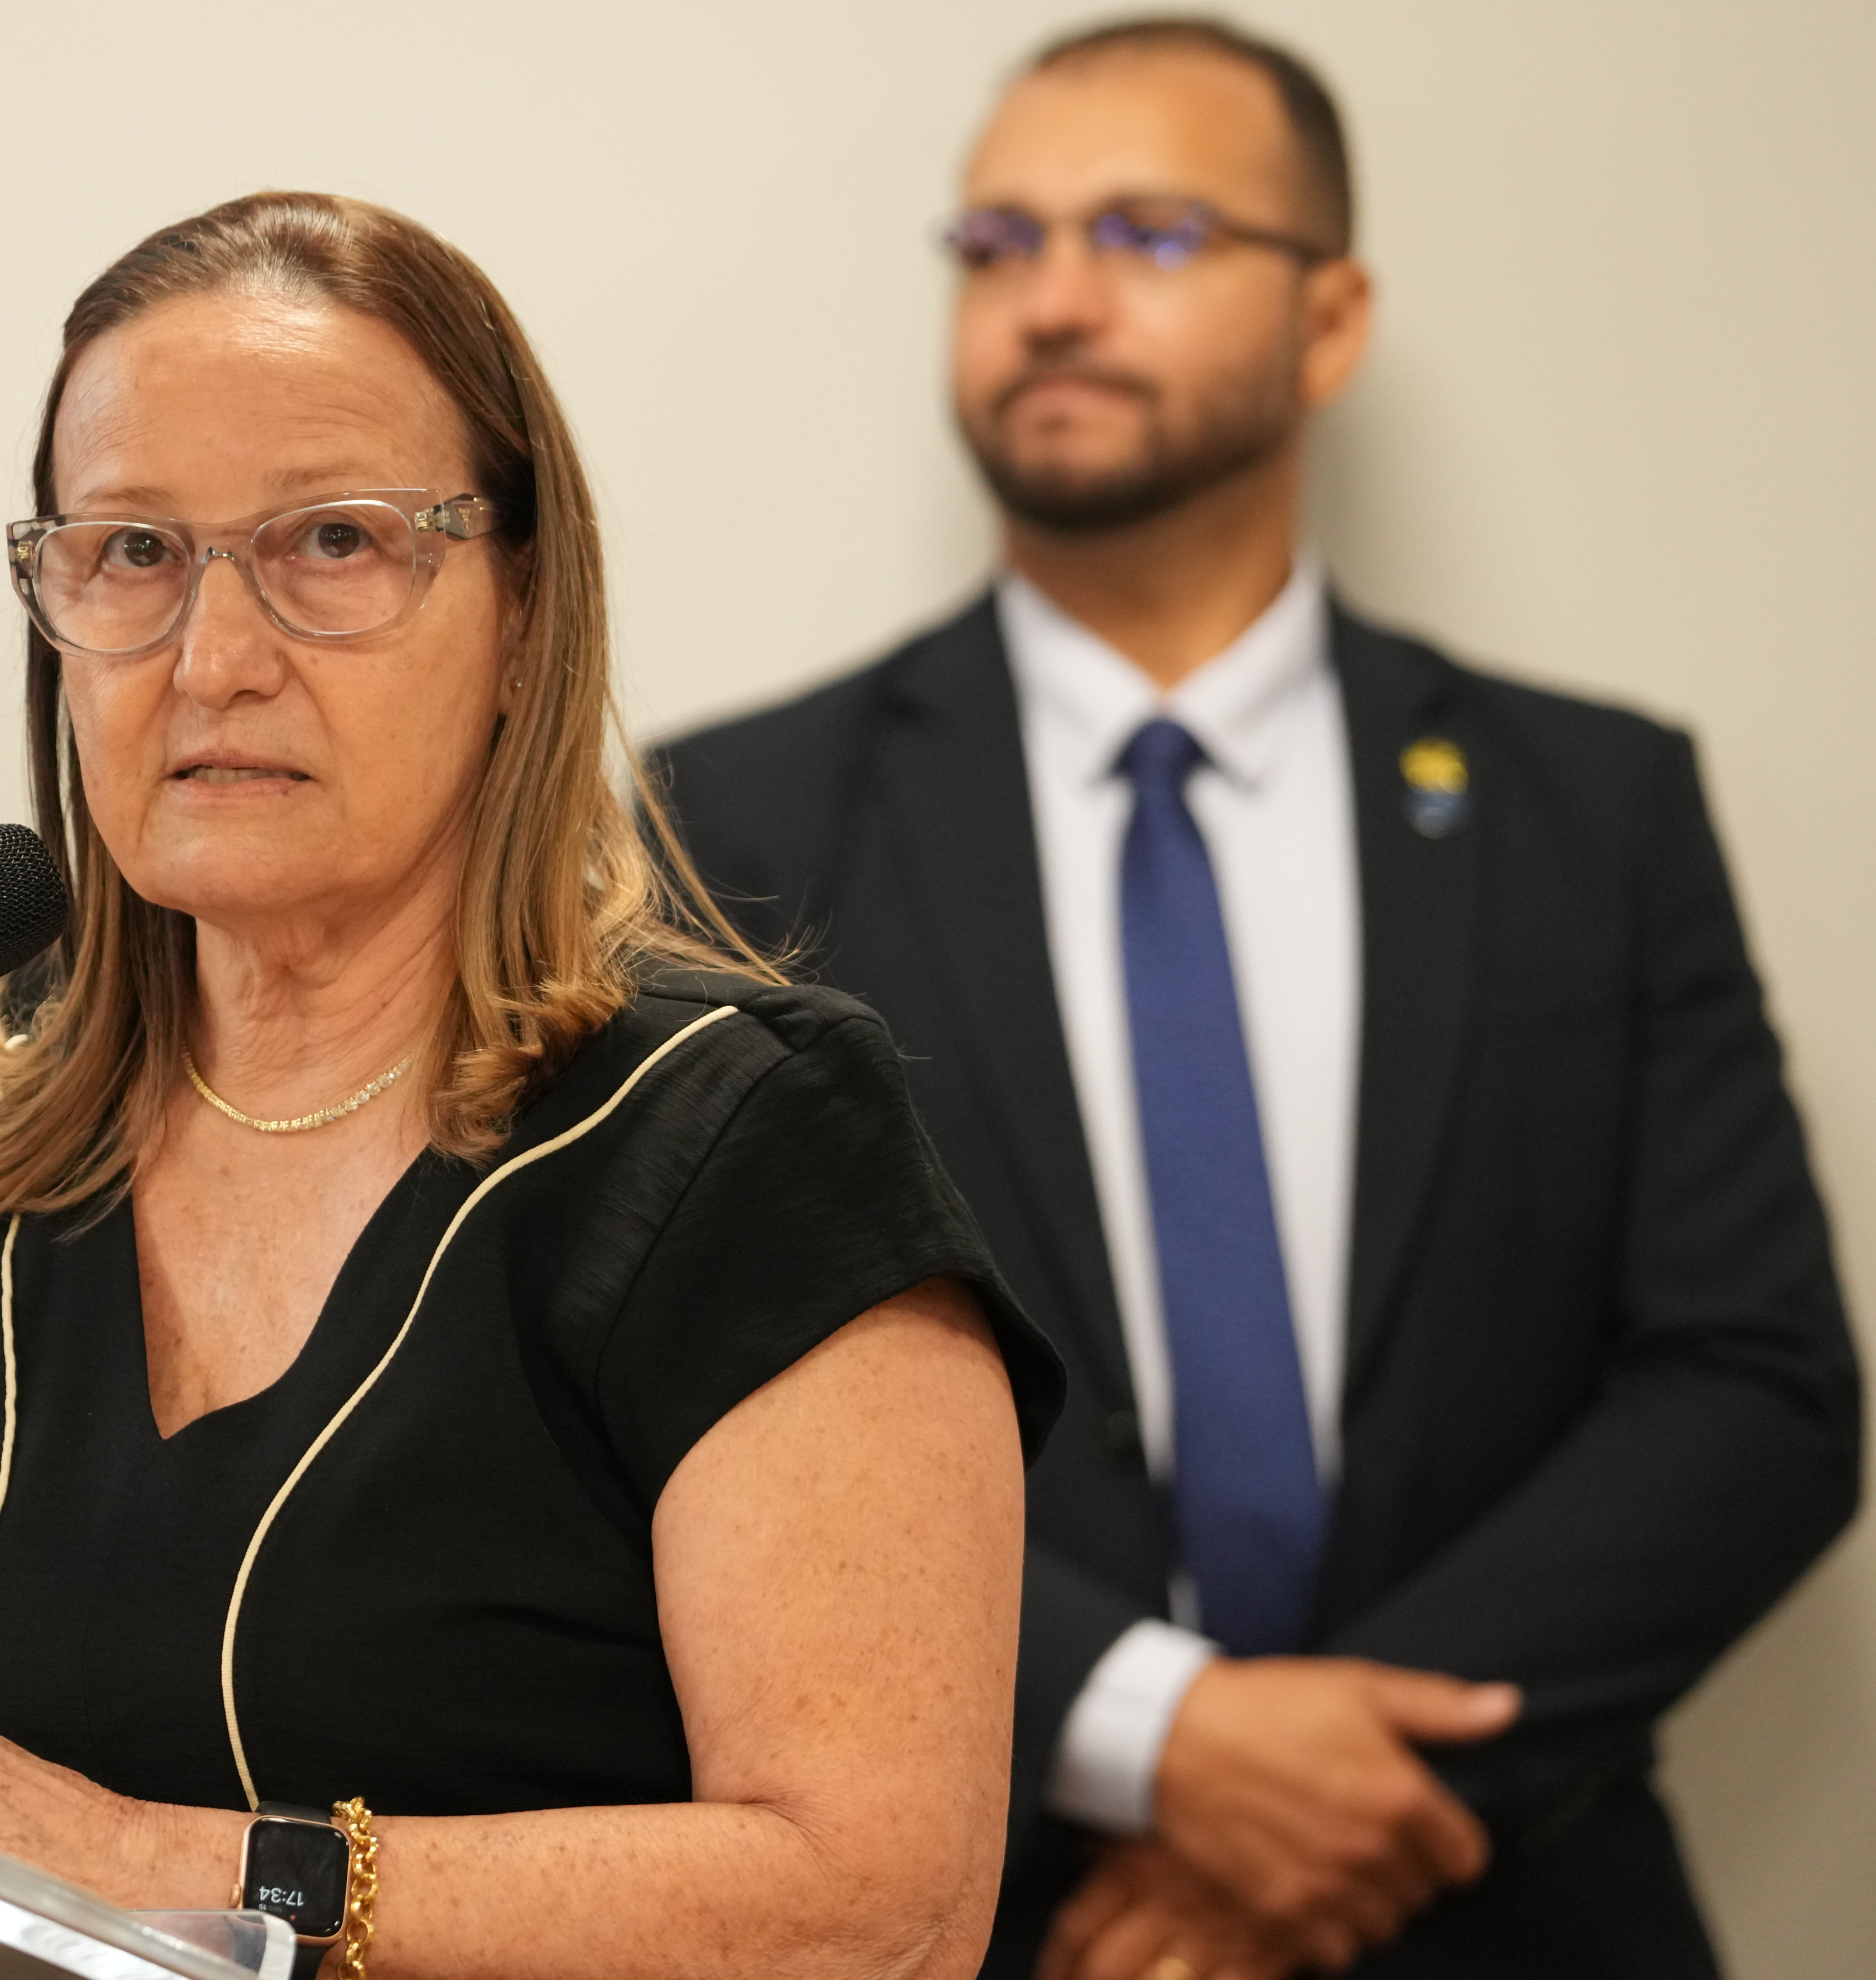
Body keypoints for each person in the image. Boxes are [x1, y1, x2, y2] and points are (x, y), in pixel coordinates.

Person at [651, 20, 1859, 1980]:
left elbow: (1759, 1389)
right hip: (990, 1910)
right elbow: (688, 1406)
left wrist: (1324, 1794)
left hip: (1515, 1893)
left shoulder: (1590, 807)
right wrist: (1151, 1731)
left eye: (1146, 233)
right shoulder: (736, 825)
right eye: (997, 240)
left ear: (1331, 317)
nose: (1050, 299)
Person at [0, 191, 1063, 1980]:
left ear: (524, 612)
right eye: (132, 552)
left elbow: (877, 1910)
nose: (214, 658)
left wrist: (165, 1863)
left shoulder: (738, 1141)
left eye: (337, 544)